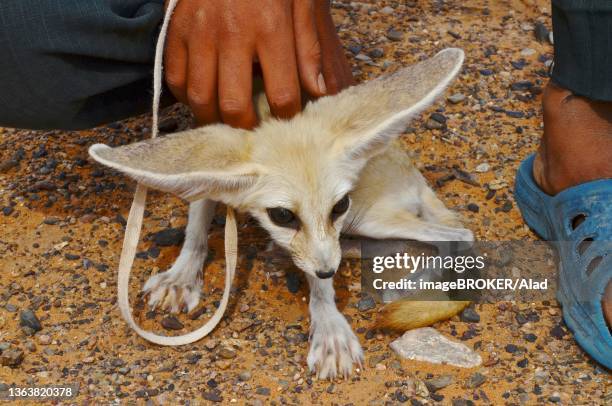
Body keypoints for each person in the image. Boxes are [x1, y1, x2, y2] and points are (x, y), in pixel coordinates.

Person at [0, 0, 609, 369]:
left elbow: (322, 244)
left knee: (358, 228)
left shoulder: (339, 163)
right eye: (284, 219)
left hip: (332, 141)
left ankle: (483, 257)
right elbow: (209, 181)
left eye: (331, 212)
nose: (322, 259)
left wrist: (328, 310)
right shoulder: (234, 166)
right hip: (251, 139)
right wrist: (190, 260)